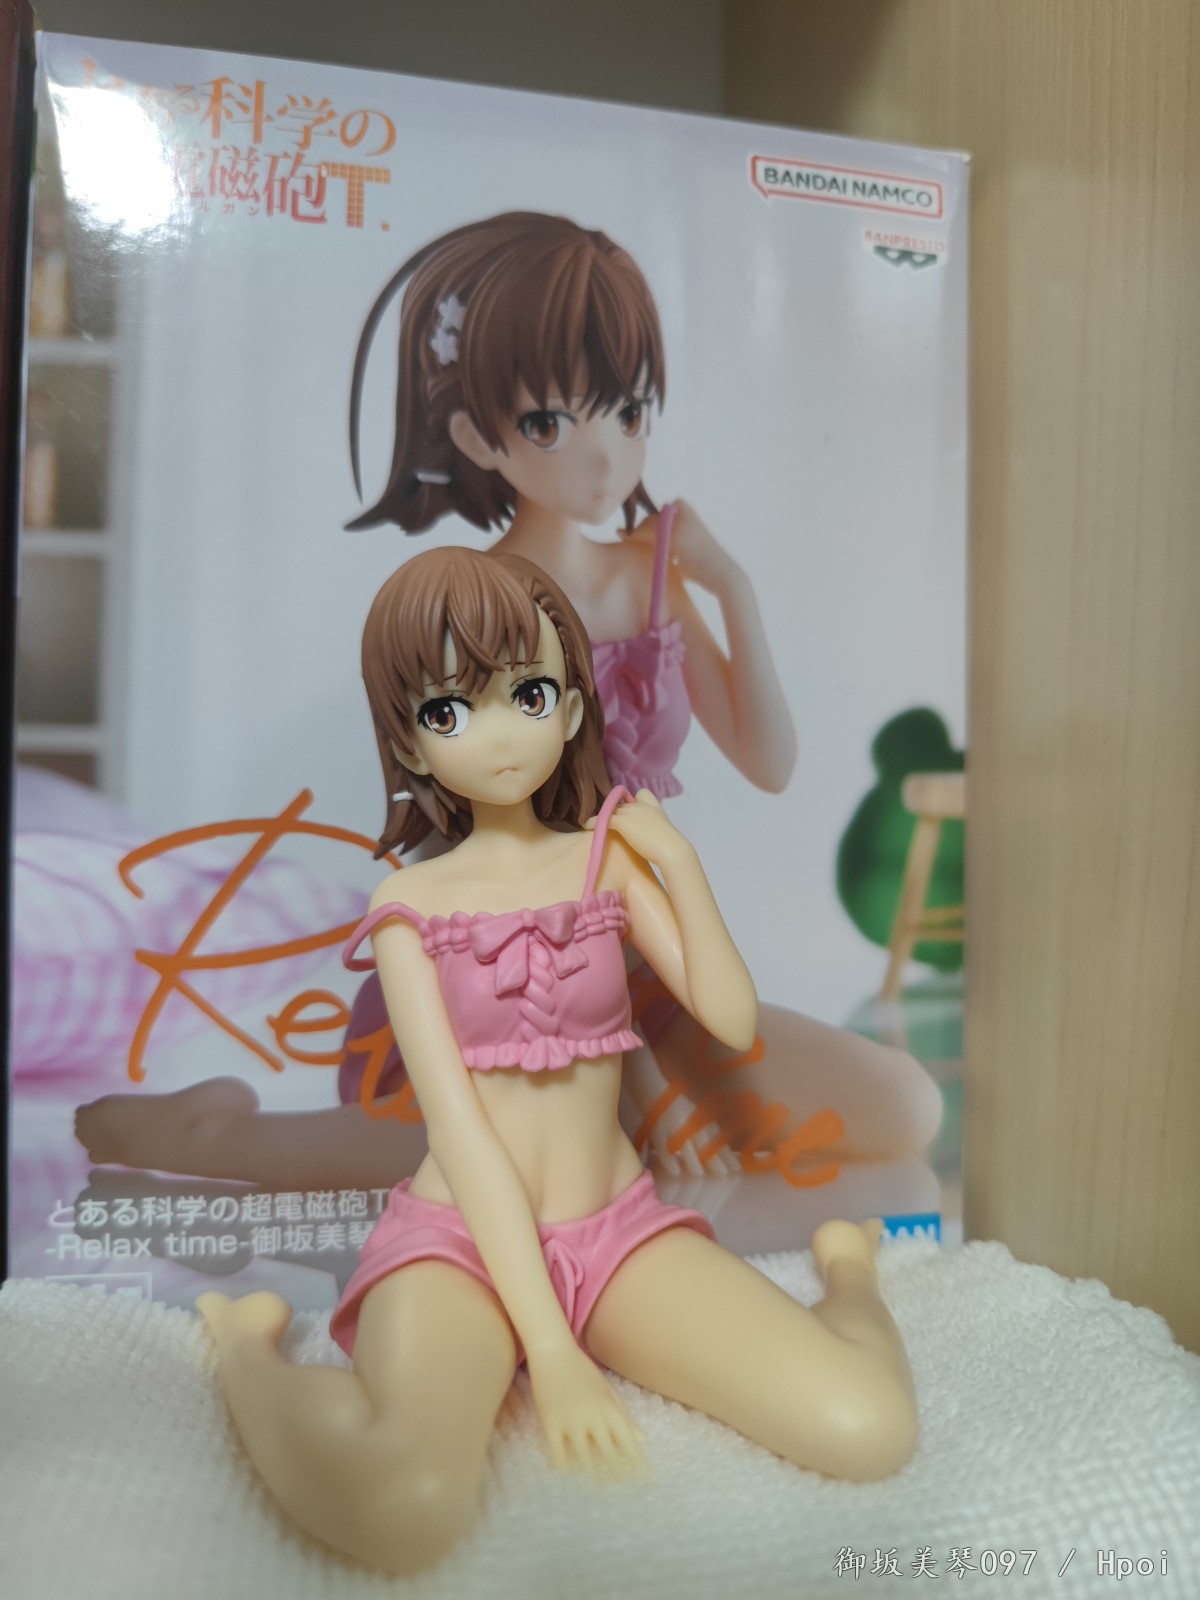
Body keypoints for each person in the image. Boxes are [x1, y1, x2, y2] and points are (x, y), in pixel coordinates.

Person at [76, 211, 939, 1189]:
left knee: (902, 1108)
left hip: (646, 972)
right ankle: (205, 1141)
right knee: (528, 1152)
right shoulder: (475, 607)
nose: (605, 457)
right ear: (476, 435)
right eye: (548, 423)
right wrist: (641, 1083)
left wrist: (731, 586)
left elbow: (769, 761)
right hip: (499, 971)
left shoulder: (650, 580)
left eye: (628, 411)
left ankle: (610, 1132)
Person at [197, 547, 918, 1577]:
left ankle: (847, 1277)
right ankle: (246, 1352)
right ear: (406, 738)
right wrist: (553, 1351)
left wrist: (677, 864)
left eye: (528, 695)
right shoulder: (409, 907)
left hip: (618, 1232)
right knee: (403, 1504)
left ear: (573, 707)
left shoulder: (605, 860)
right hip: (460, 1247)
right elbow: (462, 1136)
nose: (497, 735)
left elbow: (729, 1019)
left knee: (868, 1426)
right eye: (449, 710)